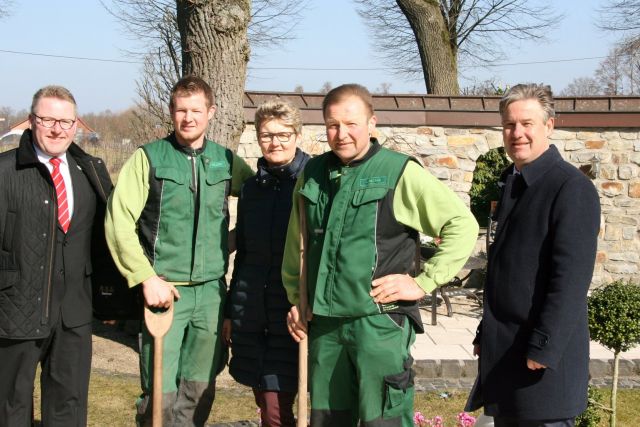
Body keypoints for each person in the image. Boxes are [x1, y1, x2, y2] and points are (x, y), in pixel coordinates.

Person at [283, 83, 479, 426]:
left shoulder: (399, 172)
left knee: (383, 421)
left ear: (372, 124)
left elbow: (462, 225)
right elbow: (294, 245)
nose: (341, 133)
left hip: (379, 323)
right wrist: (296, 299)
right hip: (325, 327)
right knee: (328, 420)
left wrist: (423, 282)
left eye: (351, 123)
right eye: (332, 125)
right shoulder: (312, 175)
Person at [105, 75, 254, 426]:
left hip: (212, 295)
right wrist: (145, 276)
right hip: (165, 292)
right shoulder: (150, 159)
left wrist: (232, 240)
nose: (188, 118)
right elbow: (118, 222)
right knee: (159, 390)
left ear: (211, 112)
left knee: (200, 387)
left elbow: (262, 198)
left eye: (196, 110)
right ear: (171, 113)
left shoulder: (225, 160)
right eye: (181, 110)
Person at [467, 84, 601, 426]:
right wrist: (486, 332)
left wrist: (544, 347)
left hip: (540, 365)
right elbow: (507, 272)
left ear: (550, 125)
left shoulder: (570, 188)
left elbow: (569, 281)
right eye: (510, 125)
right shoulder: (514, 182)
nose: (517, 133)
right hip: (508, 358)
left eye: (527, 123)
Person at [0, 85, 123, 426]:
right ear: (31, 121)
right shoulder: (4, 171)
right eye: (48, 119)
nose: (57, 129)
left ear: (76, 125)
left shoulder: (90, 170)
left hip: (74, 315)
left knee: (68, 408)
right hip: (14, 313)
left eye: (66, 122)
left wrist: (110, 300)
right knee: (10, 408)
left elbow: (105, 239)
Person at [222, 99, 310, 426]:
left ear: (297, 135)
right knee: (265, 401)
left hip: (292, 314)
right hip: (252, 312)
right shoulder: (251, 188)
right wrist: (232, 310)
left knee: (276, 409)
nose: (275, 142)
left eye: (283, 135)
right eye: (266, 135)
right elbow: (244, 252)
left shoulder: (312, 182)